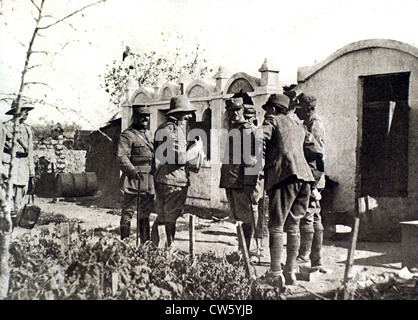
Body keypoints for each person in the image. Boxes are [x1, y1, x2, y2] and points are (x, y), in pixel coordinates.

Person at [261, 93, 323, 288]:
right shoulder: (299, 125)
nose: (266, 113)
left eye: (267, 109)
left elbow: (257, 136)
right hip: (305, 179)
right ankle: (290, 272)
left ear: (272, 109)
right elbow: (316, 151)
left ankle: (275, 272)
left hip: (284, 177)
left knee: (276, 226)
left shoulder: (273, 120)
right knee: (293, 226)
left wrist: (266, 158)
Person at [151, 95, 196, 247]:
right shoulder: (175, 132)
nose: (189, 116)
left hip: (162, 178)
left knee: (163, 215)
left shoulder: (161, 128)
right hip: (174, 181)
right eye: (186, 113)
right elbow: (180, 158)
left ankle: (155, 248)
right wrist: (196, 150)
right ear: (178, 114)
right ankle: (166, 249)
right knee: (169, 217)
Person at [220, 92, 260, 253]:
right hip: (230, 179)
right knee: (237, 217)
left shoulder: (249, 130)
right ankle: (241, 248)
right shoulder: (232, 128)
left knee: (246, 217)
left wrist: (250, 184)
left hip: (243, 182)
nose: (234, 113)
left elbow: (254, 159)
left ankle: (247, 249)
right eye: (231, 110)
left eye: (237, 110)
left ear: (243, 110)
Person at [295, 93, 327, 272]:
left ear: (308, 109)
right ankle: (317, 260)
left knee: (308, 216)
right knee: (314, 216)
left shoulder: (314, 125)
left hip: (312, 176)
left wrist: (312, 183)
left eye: (300, 110)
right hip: (314, 177)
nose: (297, 113)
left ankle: (304, 257)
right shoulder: (310, 123)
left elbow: (316, 155)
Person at [117, 104, 155, 242]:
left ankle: (145, 244)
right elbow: (122, 157)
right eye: (142, 116)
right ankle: (125, 243)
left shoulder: (149, 134)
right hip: (134, 178)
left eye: (147, 116)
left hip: (149, 179)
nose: (145, 118)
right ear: (135, 117)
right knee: (128, 212)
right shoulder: (127, 135)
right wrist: (132, 171)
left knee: (145, 213)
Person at [0, 101, 35, 228]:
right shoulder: (4, 127)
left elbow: (30, 152)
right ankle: (6, 229)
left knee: (19, 203)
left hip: (23, 170)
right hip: (8, 168)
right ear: (17, 111)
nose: (27, 113)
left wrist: (32, 174)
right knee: (7, 200)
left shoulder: (27, 129)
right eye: (24, 110)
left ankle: (15, 228)